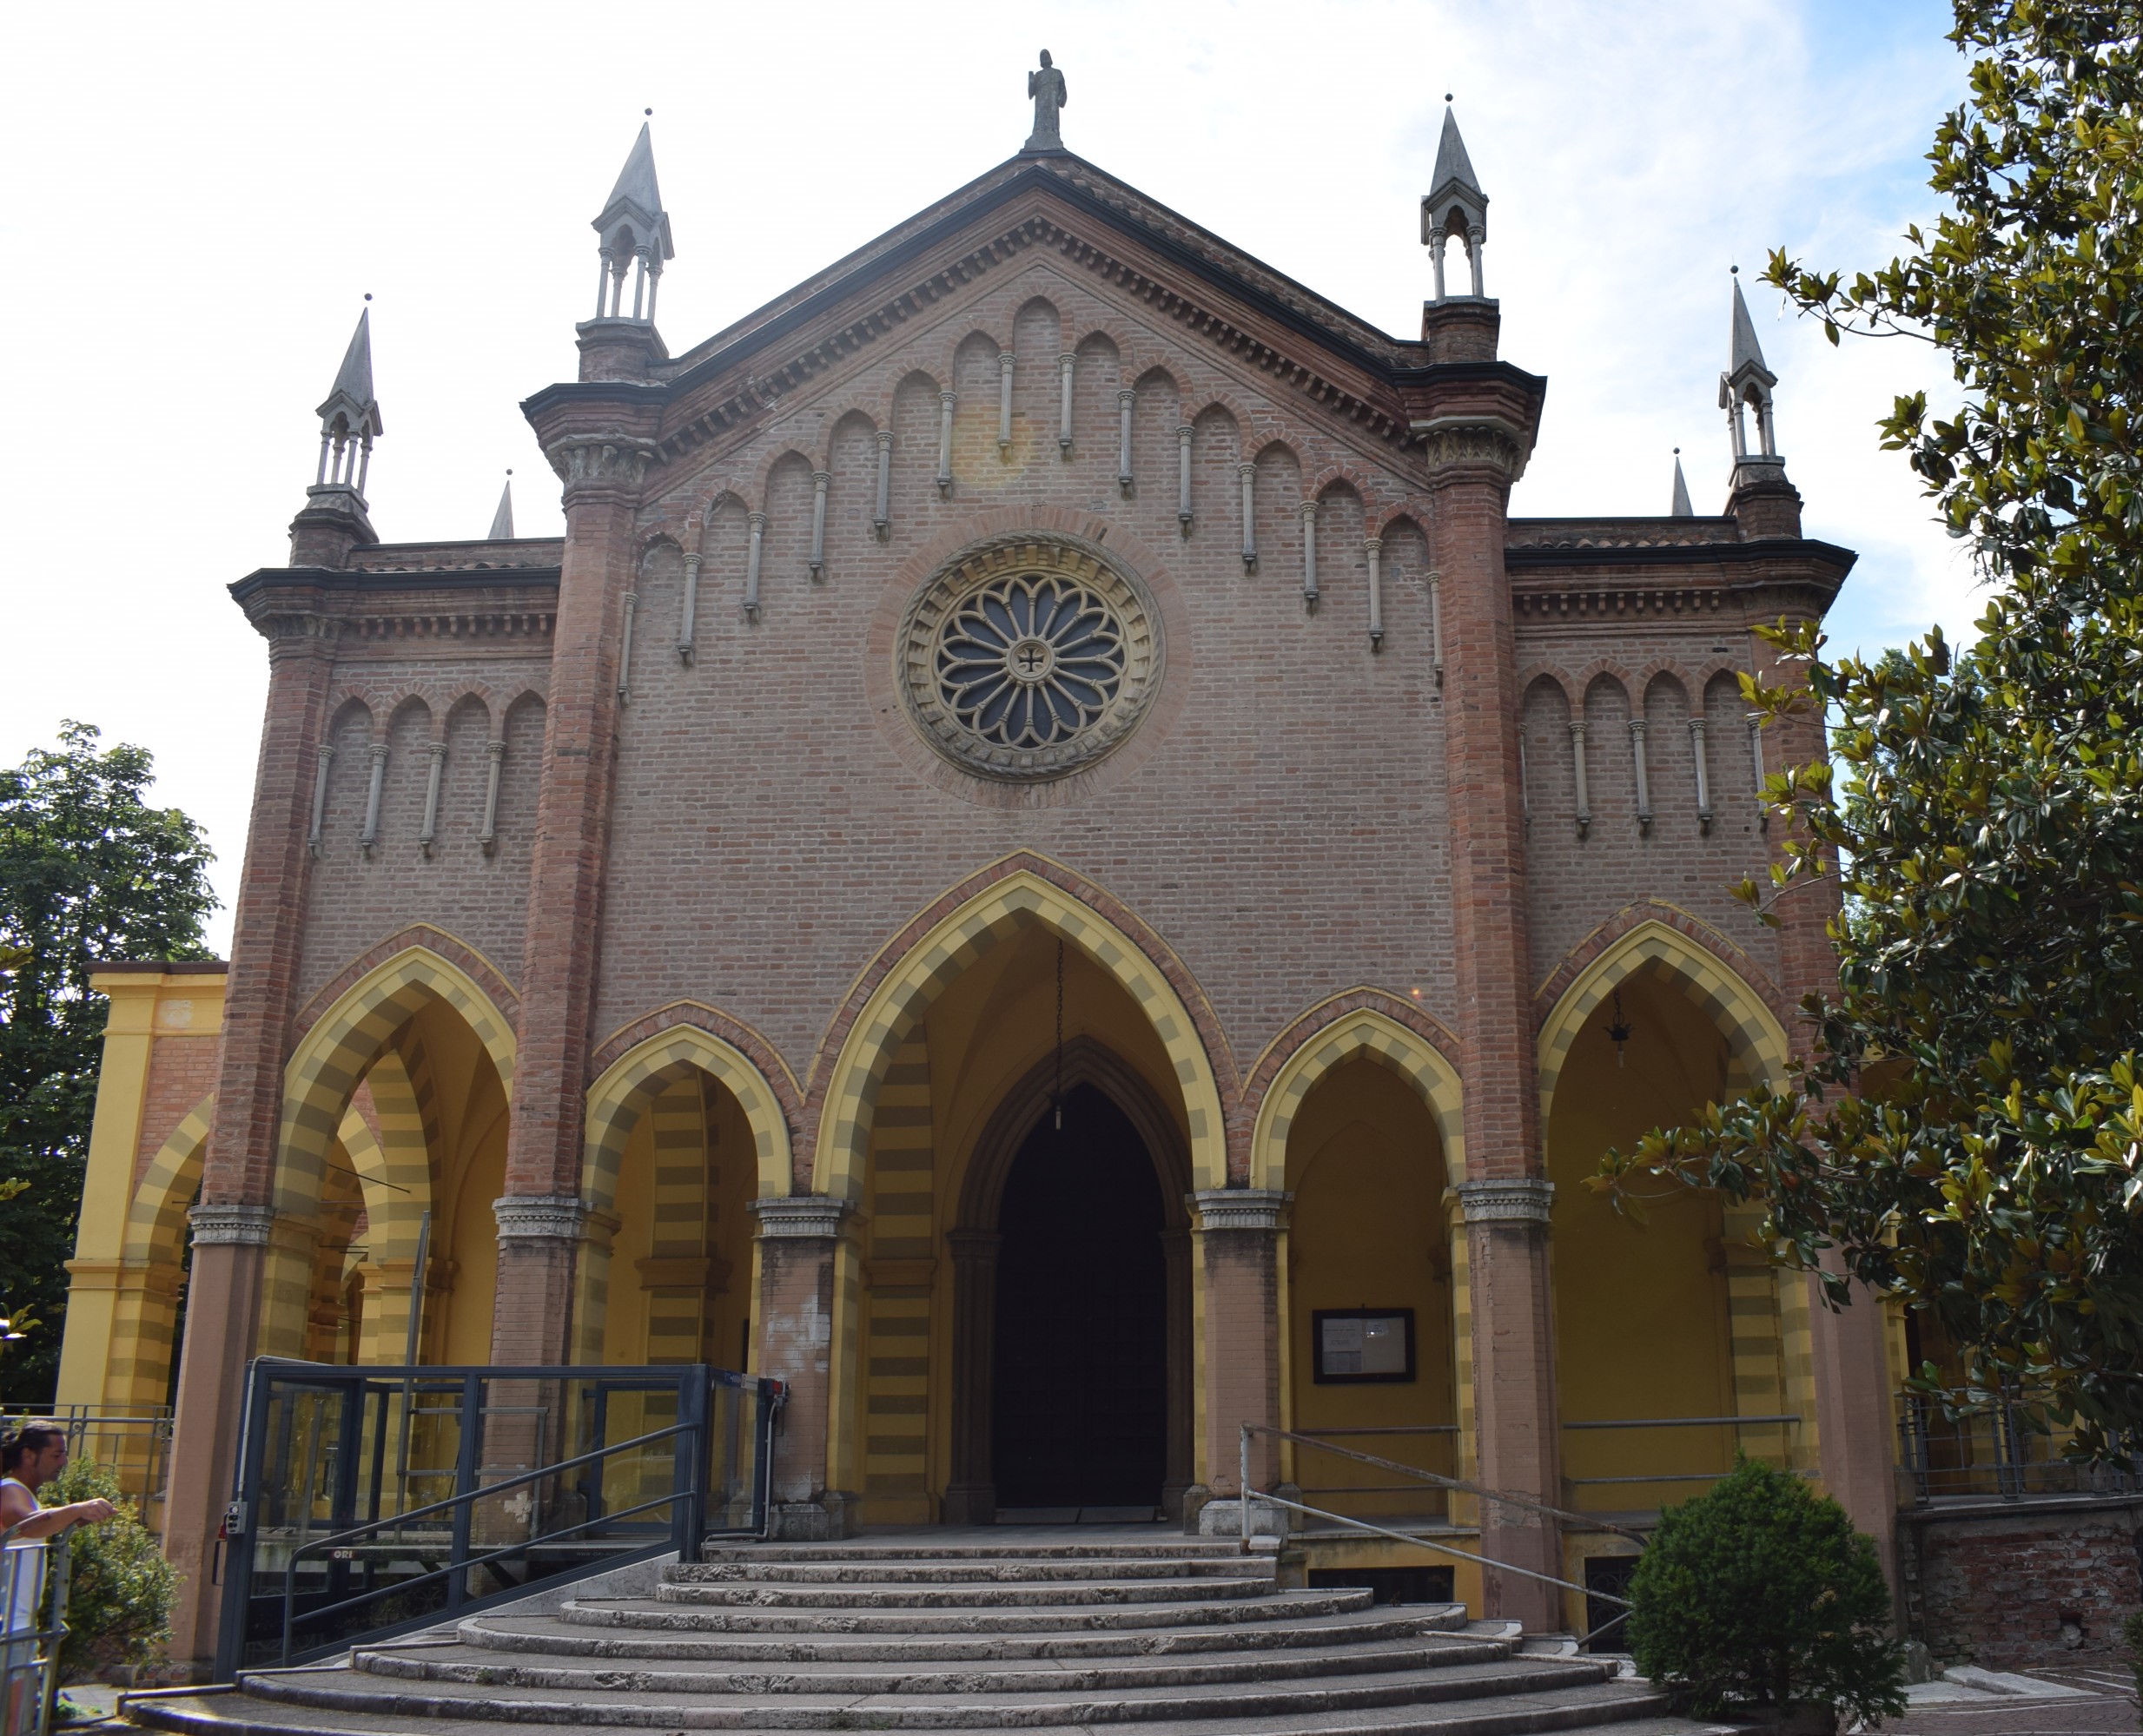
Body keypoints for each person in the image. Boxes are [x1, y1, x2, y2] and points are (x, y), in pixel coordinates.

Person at [3, 1422, 114, 1735]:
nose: (64, 1462)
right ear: (28, 1455)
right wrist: (78, 1508)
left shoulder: (23, 1493)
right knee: (16, 1722)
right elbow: (26, 1526)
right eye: (57, 1454)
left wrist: (74, 1520)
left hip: (17, 1625)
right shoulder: (10, 1490)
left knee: (19, 1720)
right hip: (9, 1627)